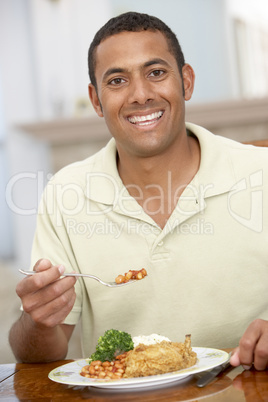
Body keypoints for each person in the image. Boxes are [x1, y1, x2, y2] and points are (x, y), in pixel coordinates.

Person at [9, 11, 268, 370]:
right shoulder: (64, 194)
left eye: (156, 73)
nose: (141, 95)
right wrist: (38, 320)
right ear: (96, 100)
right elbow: (37, 353)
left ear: (186, 81)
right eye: (117, 80)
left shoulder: (262, 173)